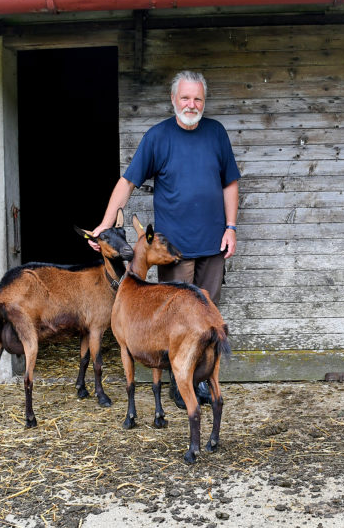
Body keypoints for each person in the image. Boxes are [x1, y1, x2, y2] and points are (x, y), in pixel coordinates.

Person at [90, 70, 240, 408]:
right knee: (177, 320)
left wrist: (231, 227)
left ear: (204, 101)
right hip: (174, 251)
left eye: (197, 98)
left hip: (213, 246)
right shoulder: (158, 137)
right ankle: (180, 384)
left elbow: (230, 182)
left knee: (204, 318)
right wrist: (103, 223)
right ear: (174, 100)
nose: (191, 104)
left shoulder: (216, 133)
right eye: (185, 98)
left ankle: (197, 382)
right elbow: (127, 182)